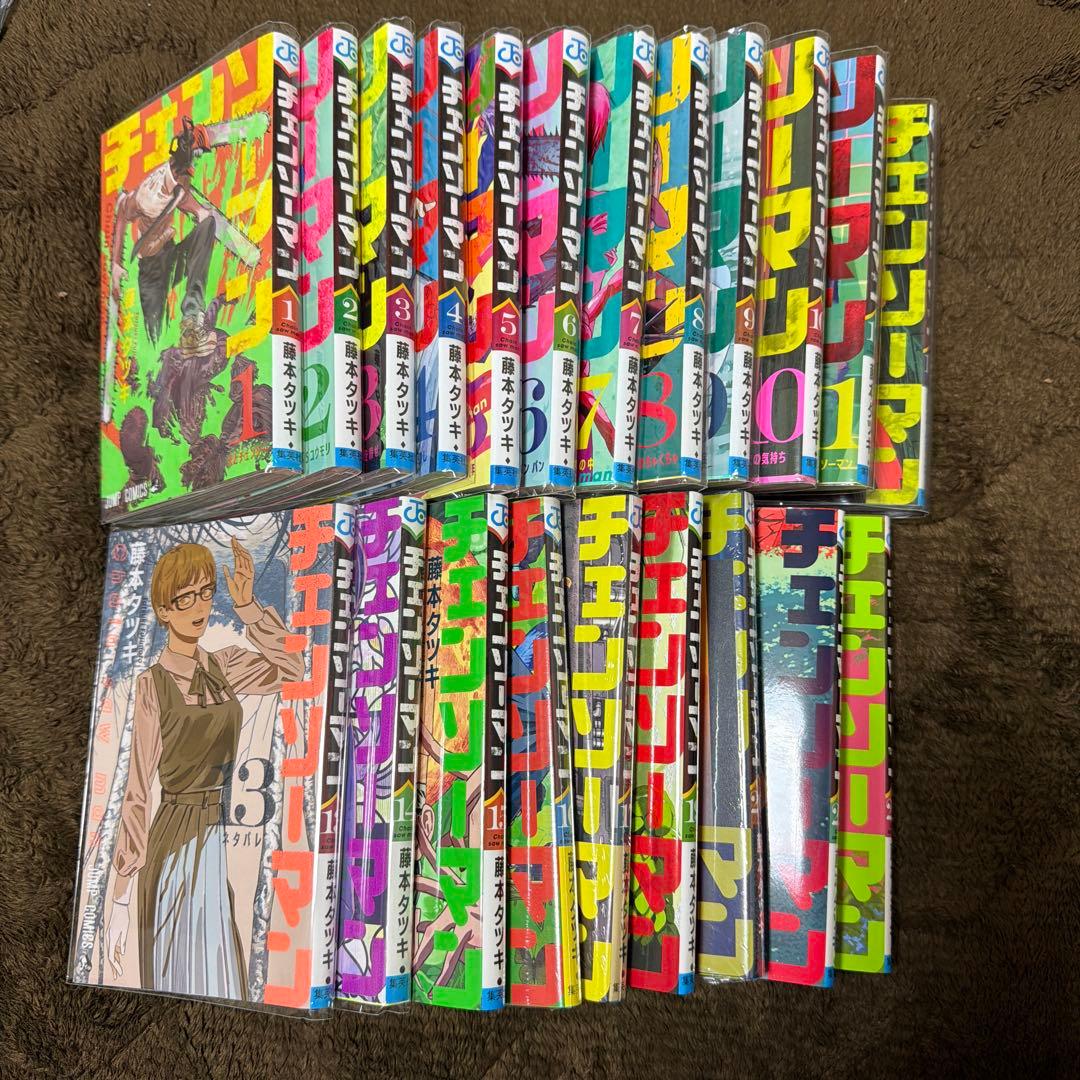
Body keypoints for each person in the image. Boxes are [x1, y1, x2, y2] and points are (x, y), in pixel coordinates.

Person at [104, 538, 303, 999]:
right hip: (172, 838)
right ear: (163, 610)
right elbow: (138, 789)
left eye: (205, 592)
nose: (198, 606)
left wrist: (248, 607)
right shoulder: (152, 685)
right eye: (184, 598)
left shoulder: (223, 665)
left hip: (214, 832)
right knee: (177, 971)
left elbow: (293, 668)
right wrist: (119, 899)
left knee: (221, 972)